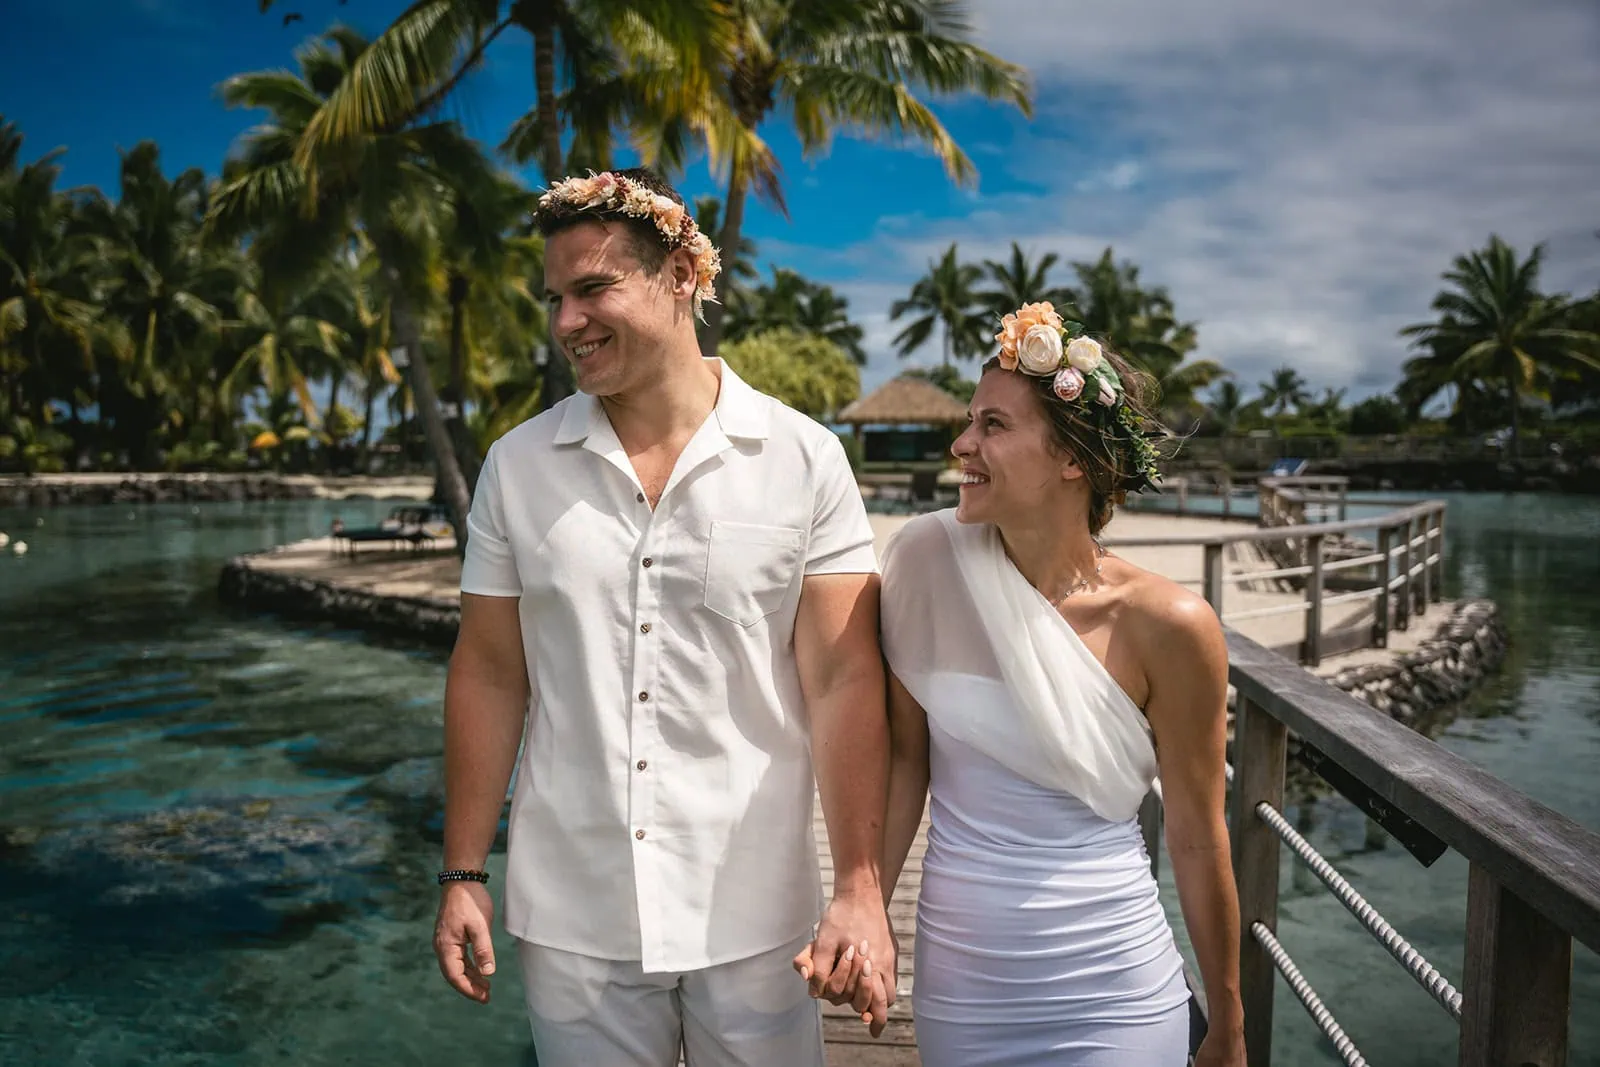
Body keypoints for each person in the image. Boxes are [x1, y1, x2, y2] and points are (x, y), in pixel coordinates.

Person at [430, 166, 895, 1067]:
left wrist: (862, 887)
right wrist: (461, 872)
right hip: (573, 908)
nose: (566, 321)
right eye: (555, 297)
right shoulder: (516, 466)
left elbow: (843, 680)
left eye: (593, 287)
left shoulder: (804, 458)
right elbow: (489, 670)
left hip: (759, 910)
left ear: (682, 274)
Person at [801, 301, 1245, 1065]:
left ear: (1073, 457)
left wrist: (1232, 1024)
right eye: (970, 420)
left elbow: (1199, 838)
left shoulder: (1171, 624)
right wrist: (867, 902)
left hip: (1115, 982)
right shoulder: (926, 561)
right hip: (963, 986)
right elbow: (909, 758)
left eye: (993, 426)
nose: (961, 443)